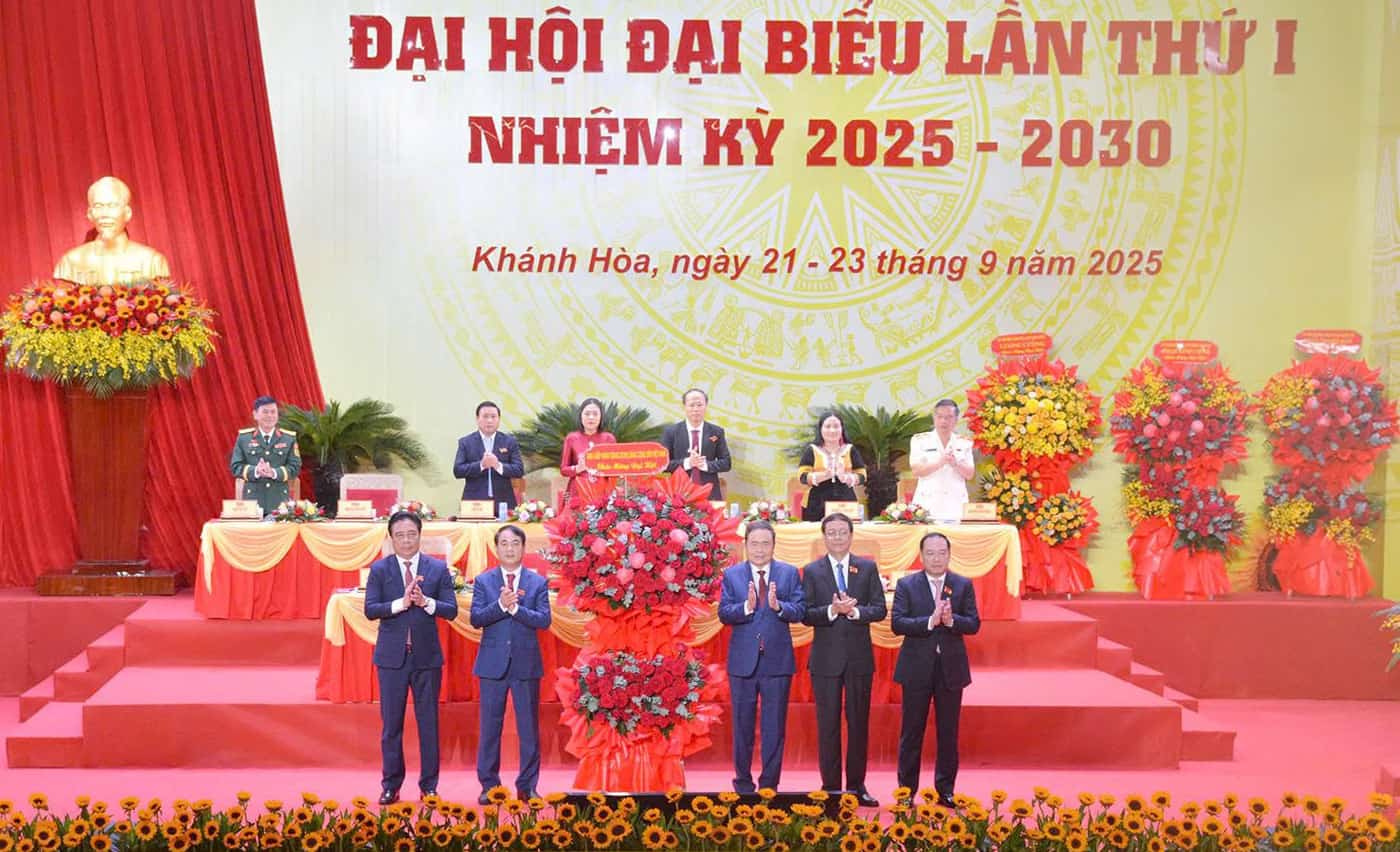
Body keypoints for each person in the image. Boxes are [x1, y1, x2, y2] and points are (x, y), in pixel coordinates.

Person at [365, 511, 459, 804]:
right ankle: (391, 785)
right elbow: (371, 609)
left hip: (426, 658)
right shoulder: (380, 570)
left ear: (420, 535)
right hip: (391, 659)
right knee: (391, 725)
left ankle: (429, 785)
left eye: (411, 534)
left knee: (428, 723)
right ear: (391, 539)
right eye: (400, 535)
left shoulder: (437, 569)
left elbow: (451, 610)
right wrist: (400, 603)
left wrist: (425, 602)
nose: (406, 540)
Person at [801, 513, 886, 807]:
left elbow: (879, 609)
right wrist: (831, 610)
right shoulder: (812, 571)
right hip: (825, 661)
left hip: (859, 659)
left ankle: (856, 786)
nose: (837, 538)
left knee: (859, 724)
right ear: (824, 537)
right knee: (828, 725)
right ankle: (831, 787)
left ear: (851, 536)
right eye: (832, 533)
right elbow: (806, 613)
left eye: (842, 532)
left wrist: (854, 612)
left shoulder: (866, 568)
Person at [891, 532, 980, 806]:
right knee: (911, 732)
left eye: (942, 552)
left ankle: (946, 790)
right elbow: (898, 624)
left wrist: (953, 621)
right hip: (916, 668)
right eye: (930, 552)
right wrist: (929, 621)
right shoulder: (907, 585)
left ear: (949, 555)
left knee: (948, 732)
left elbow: (974, 623)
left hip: (950, 670)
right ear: (921, 555)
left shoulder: (962, 585)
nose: (936, 557)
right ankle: (906, 792)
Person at [717, 520, 805, 793]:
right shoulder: (732, 575)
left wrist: (780, 607)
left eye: (765, 543)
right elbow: (724, 613)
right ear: (746, 546)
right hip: (743, 662)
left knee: (774, 728)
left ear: (774, 546)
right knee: (742, 727)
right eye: (754, 543)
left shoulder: (789, 574)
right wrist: (746, 606)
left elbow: (800, 610)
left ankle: (769, 784)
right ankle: (742, 783)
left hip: (777, 662)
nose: (759, 549)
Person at [470, 524, 552, 803]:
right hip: (492, 665)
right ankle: (489, 786)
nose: (509, 548)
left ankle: (527, 786)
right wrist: (501, 606)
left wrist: (515, 608)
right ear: (497, 548)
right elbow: (477, 618)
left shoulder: (537, 582)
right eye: (504, 543)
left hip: (525, 664)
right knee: (489, 728)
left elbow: (544, 620)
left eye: (514, 543)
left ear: (523, 548)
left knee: (529, 729)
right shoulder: (484, 581)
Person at [53, 176, 171, 285]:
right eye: (98, 206)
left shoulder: (151, 260)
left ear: (127, 213)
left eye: (113, 206)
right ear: (90, 214)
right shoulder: (71, 261)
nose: (105, 214)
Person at [228, 395, 301, 516]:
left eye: (273, 412)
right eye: (265, 412)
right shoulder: (244, 438)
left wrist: (273, 472)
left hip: (280, 502)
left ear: (278, 415)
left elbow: (295, 467)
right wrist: (256, 470)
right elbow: (235, 467)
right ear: (255, 414)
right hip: (252, 503)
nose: (269, 416)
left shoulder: (289, 438)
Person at [453, 401, 524, 515]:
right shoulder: (466, 442)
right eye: (485, 416)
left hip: (504, 502)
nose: (489, 420)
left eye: (493, 417)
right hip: (475, 504)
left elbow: (519, 470)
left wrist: (497, 465)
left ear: (499, 419)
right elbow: (457, 470)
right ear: (477, 419)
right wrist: (481, 465)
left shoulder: (509, 441)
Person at [909, 399, 975, 521]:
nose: (943, 421)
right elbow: (916, 470)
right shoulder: (920, 440)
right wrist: (940, 462)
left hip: (955, 505)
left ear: (956, 420)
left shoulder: (964, 442)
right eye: (940, 417)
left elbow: (970, 474)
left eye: (949, 417)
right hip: (927, 505)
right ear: (934, 418)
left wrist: (956, 463)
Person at [661, 388, 731, 500]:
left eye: (699, 405)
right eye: (691, 405)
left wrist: (705, 465)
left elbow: (726, 463)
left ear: (706, 406)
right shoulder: (671, 432)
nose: (696, 409)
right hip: (678, 494)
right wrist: (688, 463)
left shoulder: (716, 432)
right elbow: (663, 464)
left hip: (709, 493)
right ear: (684, 407)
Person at [797, 411, 868, 522]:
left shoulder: (850, 449)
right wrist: (824, 475)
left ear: (842, 429)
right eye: (828, 426)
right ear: (820, 429)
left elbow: (862, 475)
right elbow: (802, 476)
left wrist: (845, 477)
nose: (832, 430)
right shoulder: (812, 450)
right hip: (815, 503)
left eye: (836, 426)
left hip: (846, 502)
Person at [559, 397, 617, 505]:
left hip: (602, 493)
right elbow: (563, 469)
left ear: (601, 417)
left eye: (595, 414)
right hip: (577, 492)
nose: (591, 417)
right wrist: (577, 468)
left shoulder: (609, 438)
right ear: (581, 416)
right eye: (587, 414)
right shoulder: (571, 438)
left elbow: (614, 470)